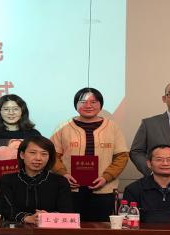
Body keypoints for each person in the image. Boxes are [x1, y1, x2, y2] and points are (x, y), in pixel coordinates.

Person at [51, 87, 129, 222]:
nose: (88, 105)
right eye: (83, 102)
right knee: (71, 227)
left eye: (93, 102)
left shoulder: (112, 127)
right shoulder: (63, 127)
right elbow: (52, 155)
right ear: (76, 104)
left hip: (103, 189)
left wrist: (106, 177)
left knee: (100, 227)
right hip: (70, 189)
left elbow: (122, 156)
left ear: (100, 105)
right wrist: (63, 174)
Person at [0, 94, 41, 193]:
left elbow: (41, 160)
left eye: (15, 109)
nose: (11, 113)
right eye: (6, 109)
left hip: (30, 187)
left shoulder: (33, 134)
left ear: (22, 111)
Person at [0, 136, 73, 224]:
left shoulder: (60, 182)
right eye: (33, 153)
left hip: (51, 229)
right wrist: (28, 218)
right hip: (18, 229)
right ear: (22, 155)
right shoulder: (7, 180)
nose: (38, 158)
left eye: (44, 154)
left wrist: (47, 217)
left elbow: (66, 212)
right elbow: (7, 210)